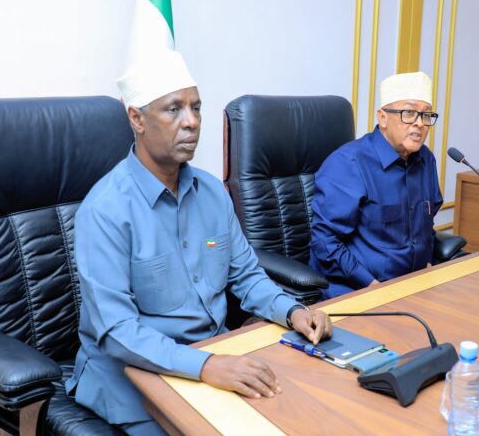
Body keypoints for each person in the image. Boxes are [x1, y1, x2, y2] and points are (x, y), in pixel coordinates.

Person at [65, 50, 332, 435]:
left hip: (215, 358)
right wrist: (206, 367)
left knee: (308, 412)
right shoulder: (105, 210)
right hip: (133, 380)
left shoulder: (211, 192)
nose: (191, 122)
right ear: (137, 118)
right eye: (173, 110)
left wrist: (293, 312)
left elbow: (247, 277)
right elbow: (118, 332)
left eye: (196, 107)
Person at [309, 72, 443, 300]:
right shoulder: (348, 164)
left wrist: (427, 265)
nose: (420, 124)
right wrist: (371, 285)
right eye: (409, 113)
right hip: (357, 291)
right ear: (382, 118)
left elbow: (424, 227)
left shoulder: (426, 160)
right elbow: (324, 241)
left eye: (426, 114)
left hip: (413, 288)